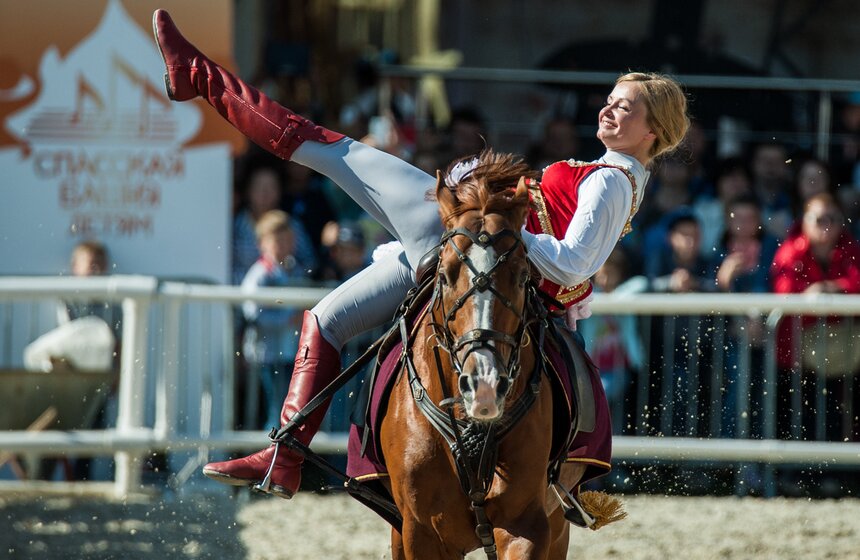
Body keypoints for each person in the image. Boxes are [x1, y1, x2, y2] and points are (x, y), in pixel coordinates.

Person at [152, 8, 689, 500]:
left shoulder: (612, 180)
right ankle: (284, 456)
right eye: (611, 100)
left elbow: (574, 262)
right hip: (465, 251)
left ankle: (197, 75)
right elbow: (575, 266)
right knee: (327, 318)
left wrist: (480, 222)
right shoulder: (617, 177)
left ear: (654, 131)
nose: (609, 110)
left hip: (458, 236)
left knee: (325, 147)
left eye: (626, 107)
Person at [241, 210, 308, 429]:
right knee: (276, 409)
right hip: (268, 354)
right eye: (277, 239)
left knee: (288, 408)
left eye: (288, 239)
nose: (283, 244)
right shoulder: (260, 273)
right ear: (262, 243)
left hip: (289, 352)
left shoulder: (294, 269)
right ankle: (271, 457)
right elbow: (251, 311)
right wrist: (287, 319)